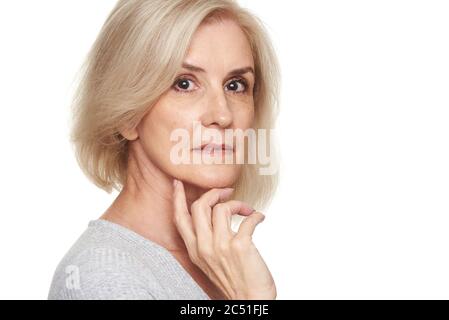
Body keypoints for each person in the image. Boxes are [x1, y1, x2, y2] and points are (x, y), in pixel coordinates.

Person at [48, 0, 281, 300]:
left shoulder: (222, 263)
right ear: (128, 114)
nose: (222, 115)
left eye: (235, 85)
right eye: (184, 83)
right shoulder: (105, 276)